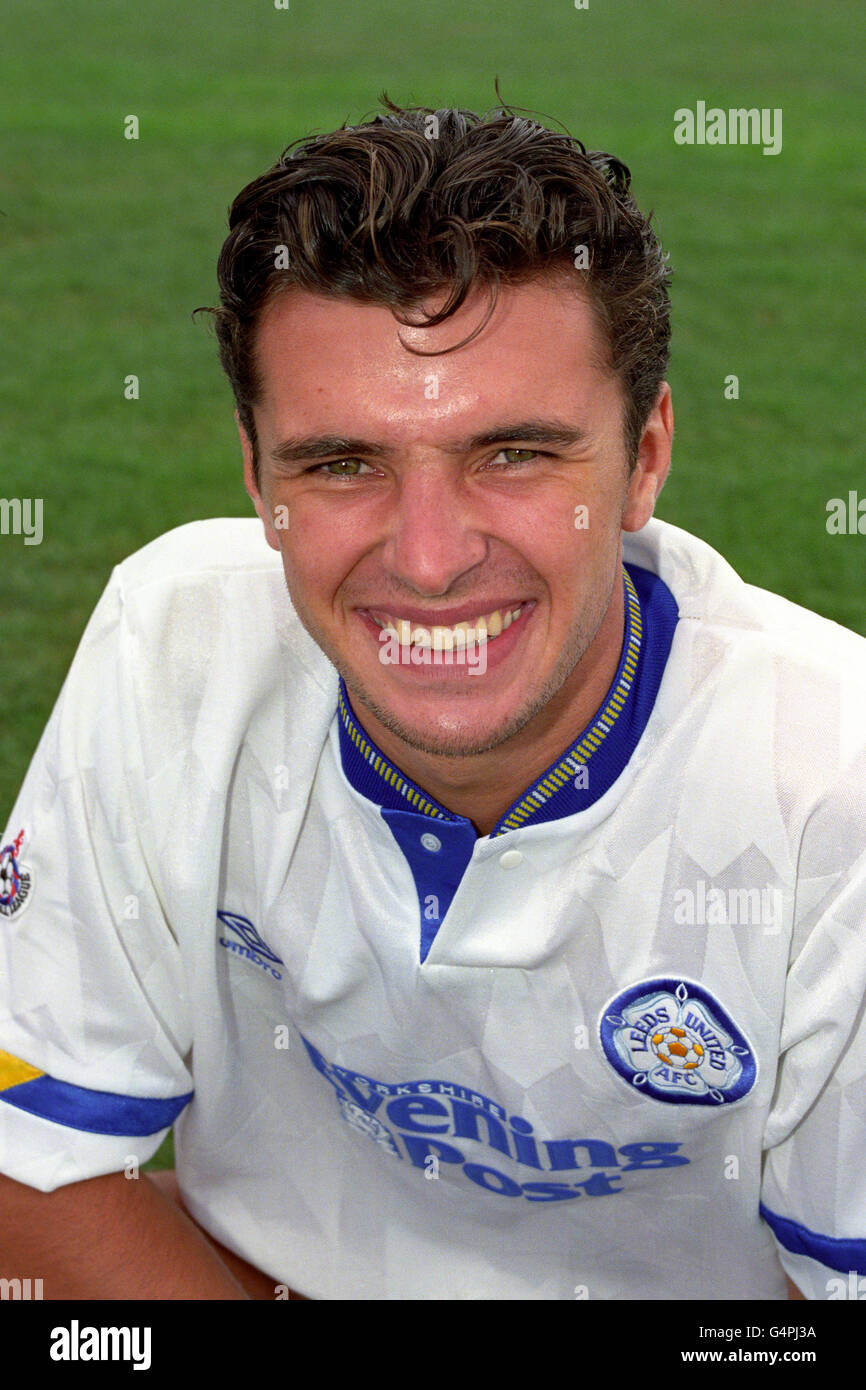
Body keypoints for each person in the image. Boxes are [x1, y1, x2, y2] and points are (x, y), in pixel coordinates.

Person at [1, 99, 864, 1302]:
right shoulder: (174, 639)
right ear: (256, 475)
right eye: (341, 463)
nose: (427, 557)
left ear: (645, 459)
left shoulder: (831, 781)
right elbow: (27, 1158)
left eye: (511, 454)